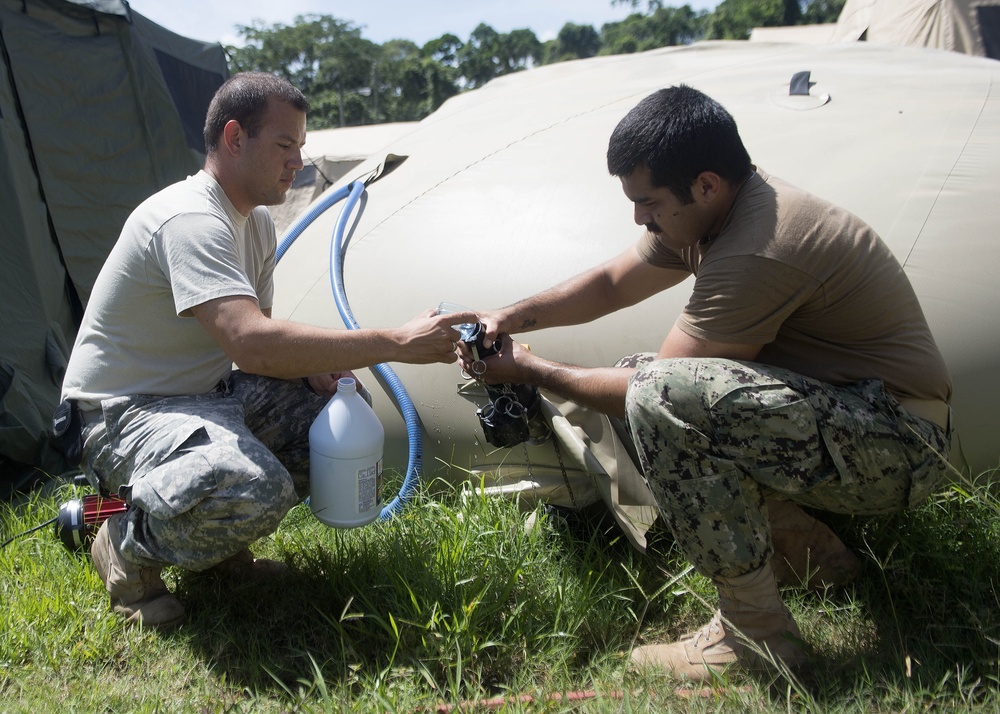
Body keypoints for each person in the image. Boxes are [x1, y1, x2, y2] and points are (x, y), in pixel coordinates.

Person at [460, 85, 951, 680]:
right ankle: (807, 553)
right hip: (857, 423)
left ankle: (756, 635)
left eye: (648, 202)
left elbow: (659, 387)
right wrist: (507, 318)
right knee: (653, 380)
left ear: (707, 185)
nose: (638, 218)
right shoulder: (714, 211)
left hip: (900, 447)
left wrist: (531, 370)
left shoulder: (763, 243)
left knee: (660, 395)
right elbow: (612, 284)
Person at [60, 72, 476, 629]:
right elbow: (249, 342)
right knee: (256, 486)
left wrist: (313, 368)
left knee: (327, 423)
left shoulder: (254, 222)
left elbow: (261, 336)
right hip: (122, 414)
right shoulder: (190, 219)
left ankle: (216, 553)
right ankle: (123, 539)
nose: (298, 162)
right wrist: (396, 342)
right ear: (234, 138)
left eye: (301, 147)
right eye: (285, 145)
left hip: (200, 396)